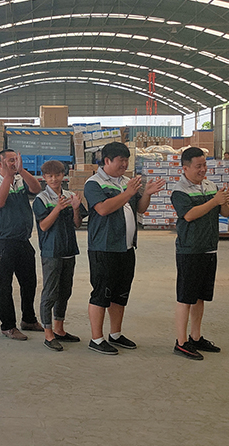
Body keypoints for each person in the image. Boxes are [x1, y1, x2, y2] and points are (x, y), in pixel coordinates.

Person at [84, 142, 165, 355]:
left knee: (120, 294)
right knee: (101, 293)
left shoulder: (126, 182)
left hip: (126, 248)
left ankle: (115, 334)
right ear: (107, 160)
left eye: (126, 160)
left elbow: (140, 209)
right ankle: (96, 339)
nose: (124, 164)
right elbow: (103, 209)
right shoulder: (94, 183)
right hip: (104, 248)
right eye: (121, 160)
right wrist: (128, 193)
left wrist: (146, 194)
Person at [172, 147, 229, 360]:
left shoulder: (211, 186)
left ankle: (196, 336)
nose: (203, 170)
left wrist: (225, 201)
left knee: (200, 297)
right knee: (185, 298)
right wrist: (214, 201)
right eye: (198, 166)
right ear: (185, 168)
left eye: (204, 165)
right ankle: (181, 342)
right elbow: (189, 215)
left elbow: (224, 213)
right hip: (190, 250)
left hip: (209, 248)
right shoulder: (180, 190)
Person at [0, 149, 43, 340]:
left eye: (16, 160)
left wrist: (22, 171)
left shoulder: (20, 180)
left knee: (29, 282)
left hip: (23, 240)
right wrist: (9, 176)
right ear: (0, 164)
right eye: (10, 160)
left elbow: (36, 189)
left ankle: (28, 319)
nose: (13, 163)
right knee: (4, 285)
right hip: (3, 242)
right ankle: (8, 325)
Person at [32, 160, 83, 351]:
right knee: (50, 293)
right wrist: (57, 209)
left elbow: (77, 224)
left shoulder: (70, 196)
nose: (54, 179)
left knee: (65, 291)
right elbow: (44, 226)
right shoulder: (41, 199)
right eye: (49, 176)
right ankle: (48, 334)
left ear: (64, 175)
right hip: (51, 251)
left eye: (57, 175)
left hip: (68, 250)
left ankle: (60, 329)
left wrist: (76, 208)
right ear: (44, 178)